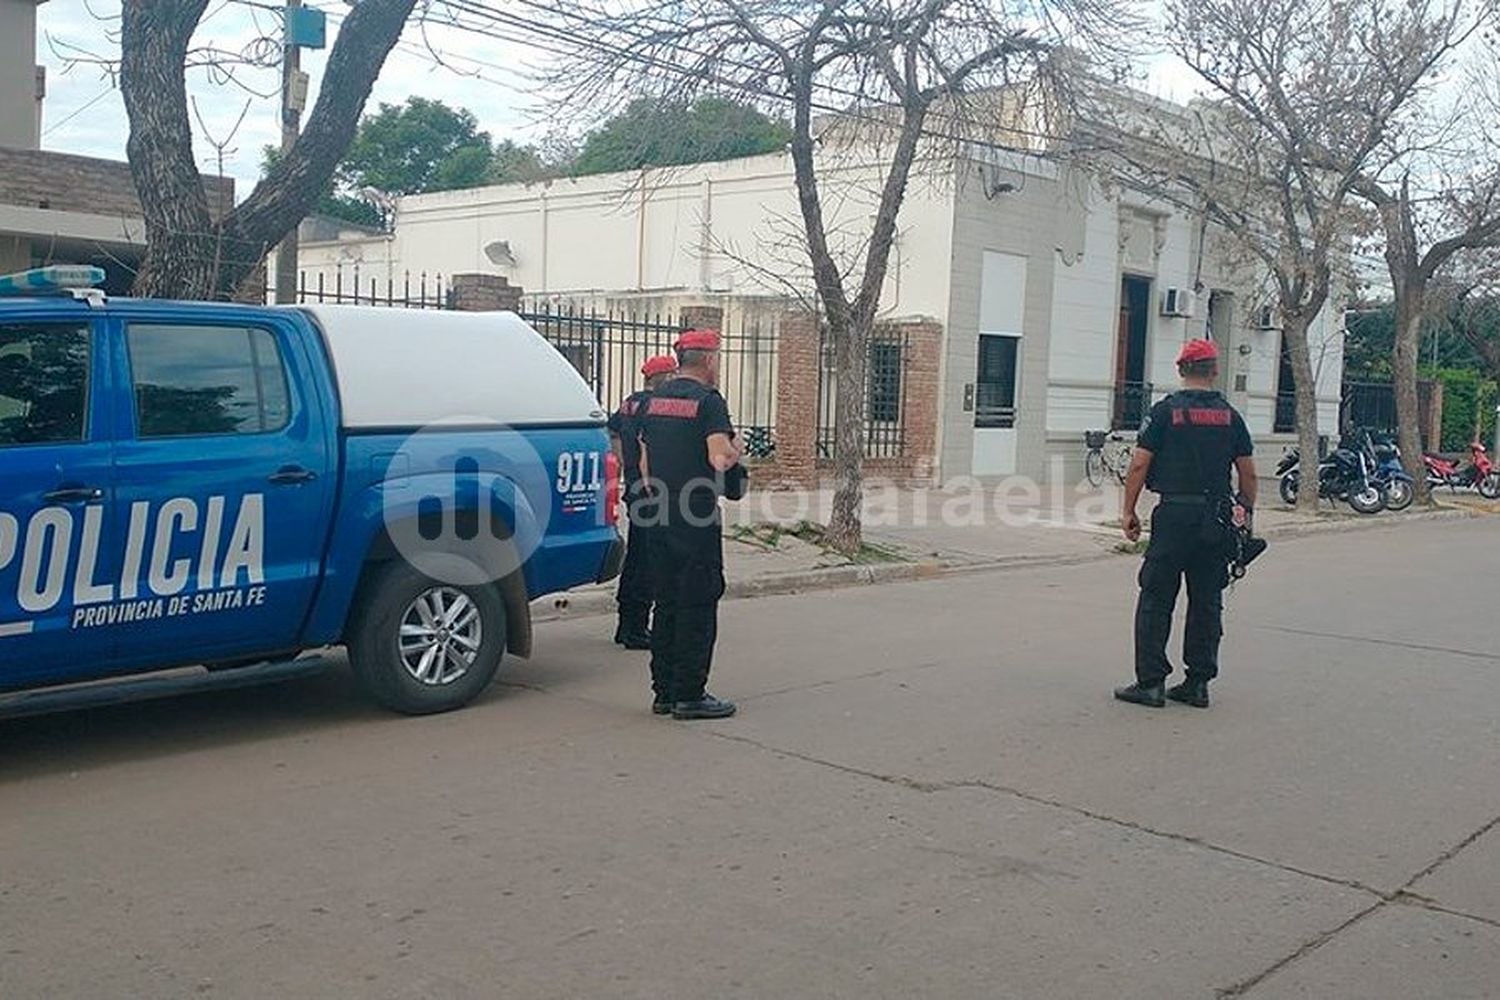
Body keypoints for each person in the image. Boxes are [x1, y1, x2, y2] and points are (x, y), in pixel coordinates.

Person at [1115, 338, 1257, 709]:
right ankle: (1197, 683)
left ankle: (1151, 683)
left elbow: (1139, 464)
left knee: (1156, 597)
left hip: (1175, 515)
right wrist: (1245, 514)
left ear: (1181, 370)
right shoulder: (1231, 416)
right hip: (1215, 517)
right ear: (1214, 370)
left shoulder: (1165, 413)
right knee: (1207, 600)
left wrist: (1128, 511)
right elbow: (1249, 476)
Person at [637, 329, 745, 720]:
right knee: (697, 600)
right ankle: (690, 694)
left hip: (657, 511)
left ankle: (663, 691)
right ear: (710, 359)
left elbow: (646, 467)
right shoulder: (708, 402)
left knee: (665, 600)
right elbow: (719, 460)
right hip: (694, 514)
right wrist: (737, 449)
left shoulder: (655, 401)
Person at [609, 354, 678, 650]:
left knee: (636, 556)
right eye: (673, 375)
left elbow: (612, 432)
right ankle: (637, 628)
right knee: (647, 561)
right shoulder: (656, 406)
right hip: (651, 490)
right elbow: (647, 444)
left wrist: (626, 465)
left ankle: (626, 625)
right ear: (666, 377)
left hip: (634, 486)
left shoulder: (629, 403)